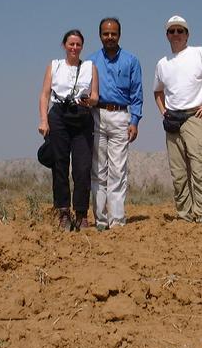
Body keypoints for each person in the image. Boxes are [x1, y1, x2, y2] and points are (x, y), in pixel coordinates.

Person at [153, 15, 202, 224]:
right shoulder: (162, 64)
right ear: (167, 35)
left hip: (195, 117)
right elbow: (157, 92)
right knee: (178, 173)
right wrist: (163, 112)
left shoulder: (200, 53)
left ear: (187, 34)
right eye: (172, 31)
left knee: (199, 168)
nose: (176, 34)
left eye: (180, 30)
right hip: (172, 121)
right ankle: (184, 215)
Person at [39, 29, 99, 231]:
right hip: (58, 117)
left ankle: (81, 213)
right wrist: (44, 121)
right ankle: (63, 212)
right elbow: (45, 95)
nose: (74, 48)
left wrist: (89, 100)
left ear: (82, 47)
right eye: (71, 44)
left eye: (78, 44)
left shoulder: (90, 67)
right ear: (64, 45)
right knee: (60, 166)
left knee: (82, 168)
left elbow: (96, 96)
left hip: (82, 117)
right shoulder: (54, 66)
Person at [88, 18, 143, 230]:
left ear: (119, 35)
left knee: (118, 171)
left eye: (113, 34)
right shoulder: (90, 61)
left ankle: (117, 221)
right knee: (98, 170)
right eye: (105, 34)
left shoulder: (131, 61)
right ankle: (100, 221)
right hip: (96, 116)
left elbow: (137, 94)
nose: (109, 37)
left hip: (121, 116)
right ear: (100, 35)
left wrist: (135, 121)